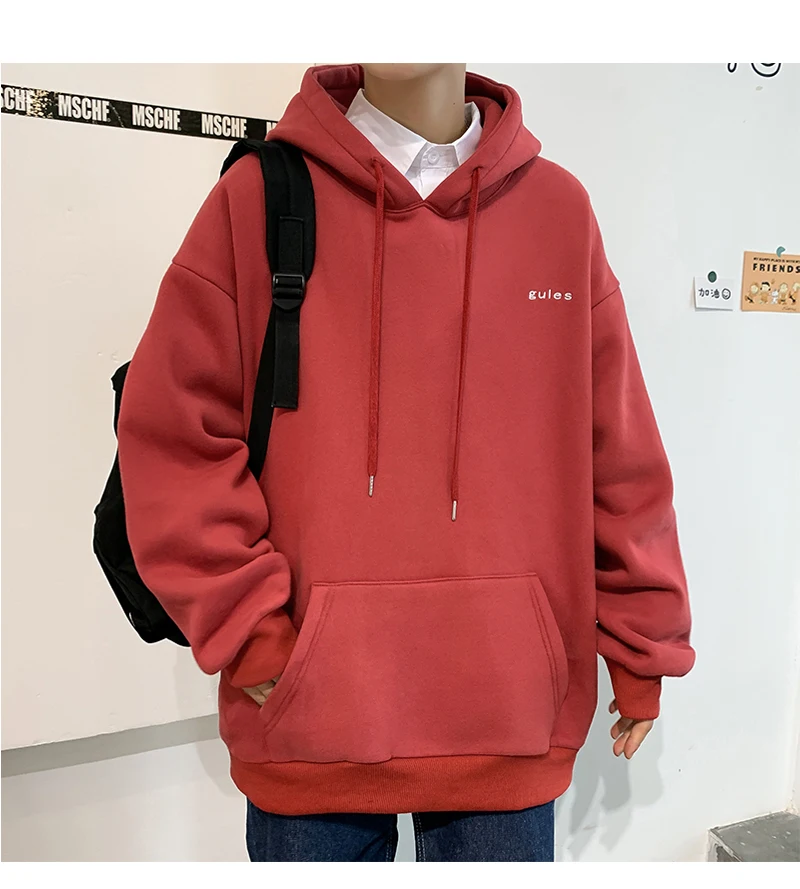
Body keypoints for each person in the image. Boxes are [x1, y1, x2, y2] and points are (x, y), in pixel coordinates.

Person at [116, 63, 695, 862]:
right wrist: (246, 626)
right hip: (309, 725)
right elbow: (174, 435)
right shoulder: (259, 200)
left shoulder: (559, 211)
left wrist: (642, 639)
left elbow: (619, 451)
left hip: (506, 720)